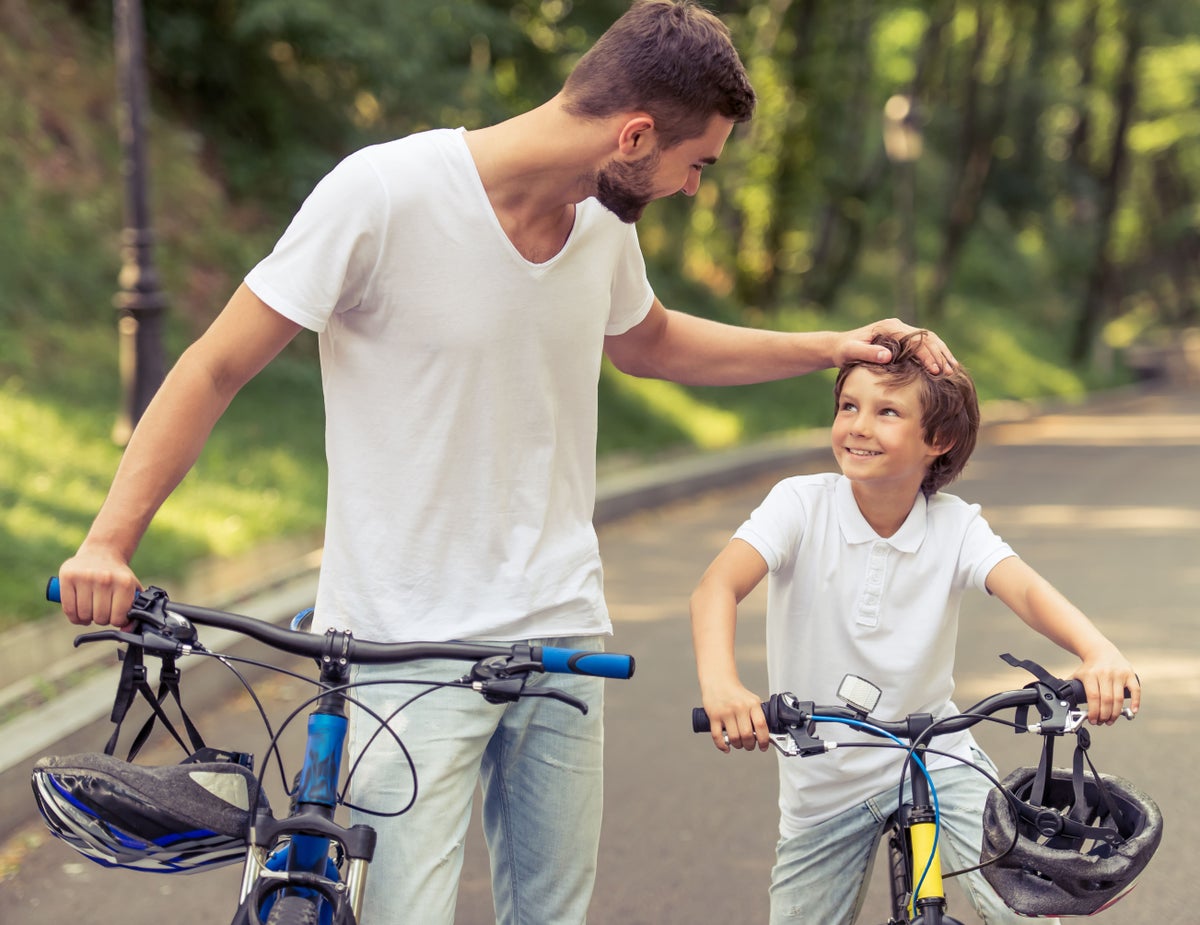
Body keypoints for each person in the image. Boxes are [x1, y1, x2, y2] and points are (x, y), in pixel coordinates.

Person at [56, 2, 954, 923]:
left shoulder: (602, 223)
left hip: (564, 640)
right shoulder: (385, 193)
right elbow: (214, 364)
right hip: (407, 646)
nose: (692, 187)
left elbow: (648, 341)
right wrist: (109, 542)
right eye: (698, 163)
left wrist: (828, 346)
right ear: (634, 134)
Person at [690, 331, 1140, 925]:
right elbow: (716, 588)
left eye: (887, 412)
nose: (858, 425)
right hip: (824, 779)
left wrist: (1098, 651)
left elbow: (1026, 589)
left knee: (1026, 911)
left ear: (939, 440)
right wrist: (724, 685)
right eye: (849, 406)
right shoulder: (799, 506)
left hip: (937, 757)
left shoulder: (955, 527)